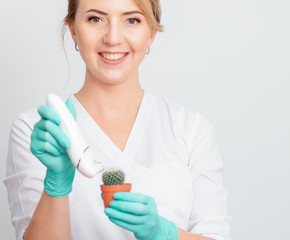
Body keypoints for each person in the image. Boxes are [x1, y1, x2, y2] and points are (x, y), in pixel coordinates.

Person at [4, 0, 231, 239]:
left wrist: (165, 234)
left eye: (132, 20)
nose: (113, 38)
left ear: (151, 34)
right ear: (73, 31)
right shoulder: (38, 131)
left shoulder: (191, 129)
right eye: (95, 19)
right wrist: (56, 187)